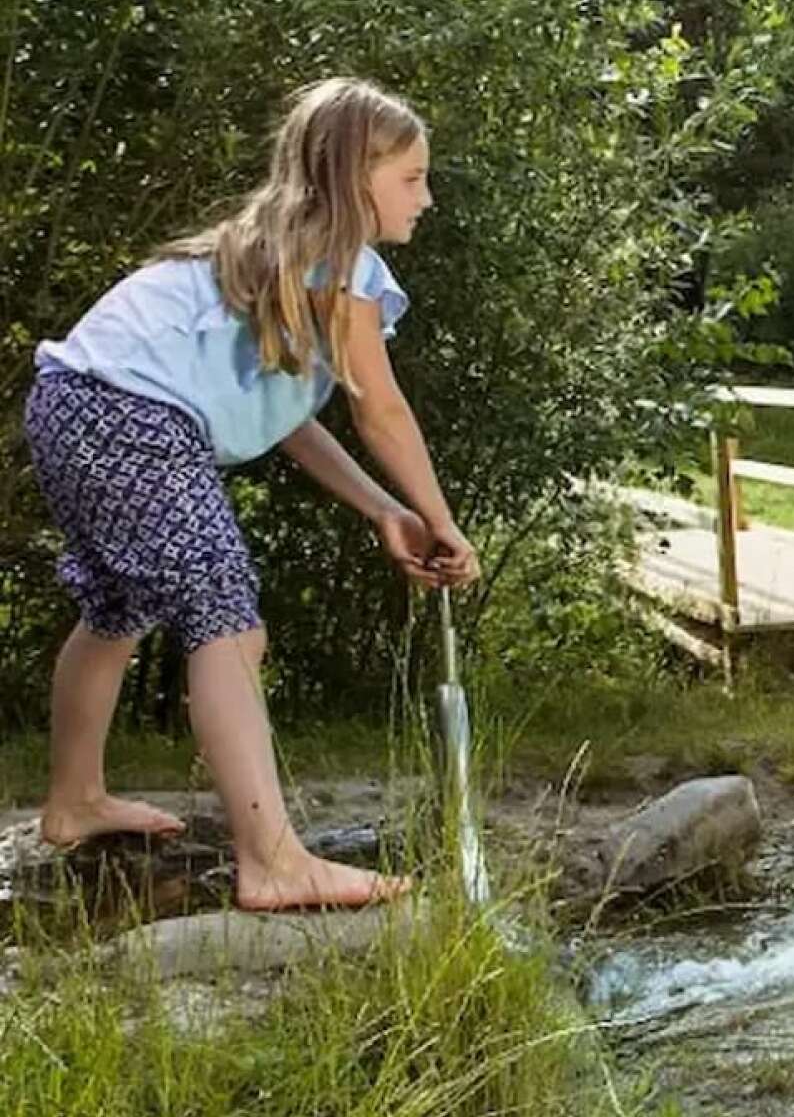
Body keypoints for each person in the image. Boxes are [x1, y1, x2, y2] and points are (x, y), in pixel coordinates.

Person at [24, 77, 476, 909]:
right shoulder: (342, 264)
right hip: (130, 414)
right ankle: (272, 861)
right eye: (411, 177)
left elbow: (287, 421)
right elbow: (380, 407)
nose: (428, 197)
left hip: (69, 401)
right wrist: (444, 524)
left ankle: (74, 801)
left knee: (117, 606)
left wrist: (385, 509)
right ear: (353, 176)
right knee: (229, 621)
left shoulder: (268, 252)